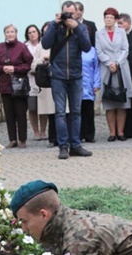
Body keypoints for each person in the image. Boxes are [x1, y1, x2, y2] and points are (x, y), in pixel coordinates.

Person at [42, 1, 93, 160]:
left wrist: (76, 27)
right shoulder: (55, 25)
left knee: (76, 112)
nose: (69, 16)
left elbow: (87, 47)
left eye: (72, 13)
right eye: (66, 13)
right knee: (60, 112)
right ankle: (63, 146)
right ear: (61, 12)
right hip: (58, 75)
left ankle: (76, 145)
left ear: (77, 13)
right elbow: (45, 44)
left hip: (76, 75)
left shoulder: (81, 28)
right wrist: (54, 25)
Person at [96, 8, 132, 141]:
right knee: (109, 102)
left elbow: (125, 49)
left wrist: (117, 62)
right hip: (107, 69)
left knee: (122, 101)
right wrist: (109, 63)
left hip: (121, 68)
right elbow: (99, 51)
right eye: (106, 17)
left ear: (115, 19)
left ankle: (121, 132)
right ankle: (112, 133)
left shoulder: (122, 32)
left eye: (111, 17)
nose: (108, 19)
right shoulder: (99, 33)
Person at [0, 24, 33, 148]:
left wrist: (15, 69)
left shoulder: (22, 47)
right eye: (8, 32)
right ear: (5, 34)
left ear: (16, 33)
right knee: (9, 114)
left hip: (19, 85)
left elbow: (28, 64)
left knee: (20, 113)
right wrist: (2, 68)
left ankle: (22, 139)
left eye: (12, 31)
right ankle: (12, 139)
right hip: (5, 85)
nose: (10, 34)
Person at [24, 24, 48, 141]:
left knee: (43, 106)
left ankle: (43, 130)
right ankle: (36, 131)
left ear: (38, 33)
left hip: (43, 79)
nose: (32, 34)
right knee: (32, 108)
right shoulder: (25, 47)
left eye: (34, 32)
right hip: (30, 79)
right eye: (30, 32)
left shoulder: (44, 45)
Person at [80, 44, 100, 143]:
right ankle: (78, 134)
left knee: (88, 111)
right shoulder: (73, 47)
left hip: (89, 84)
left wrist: (97, 83)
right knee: (77, 112)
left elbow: (96, 68)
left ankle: (89, 135)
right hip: (76, 85)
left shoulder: (92, 50)